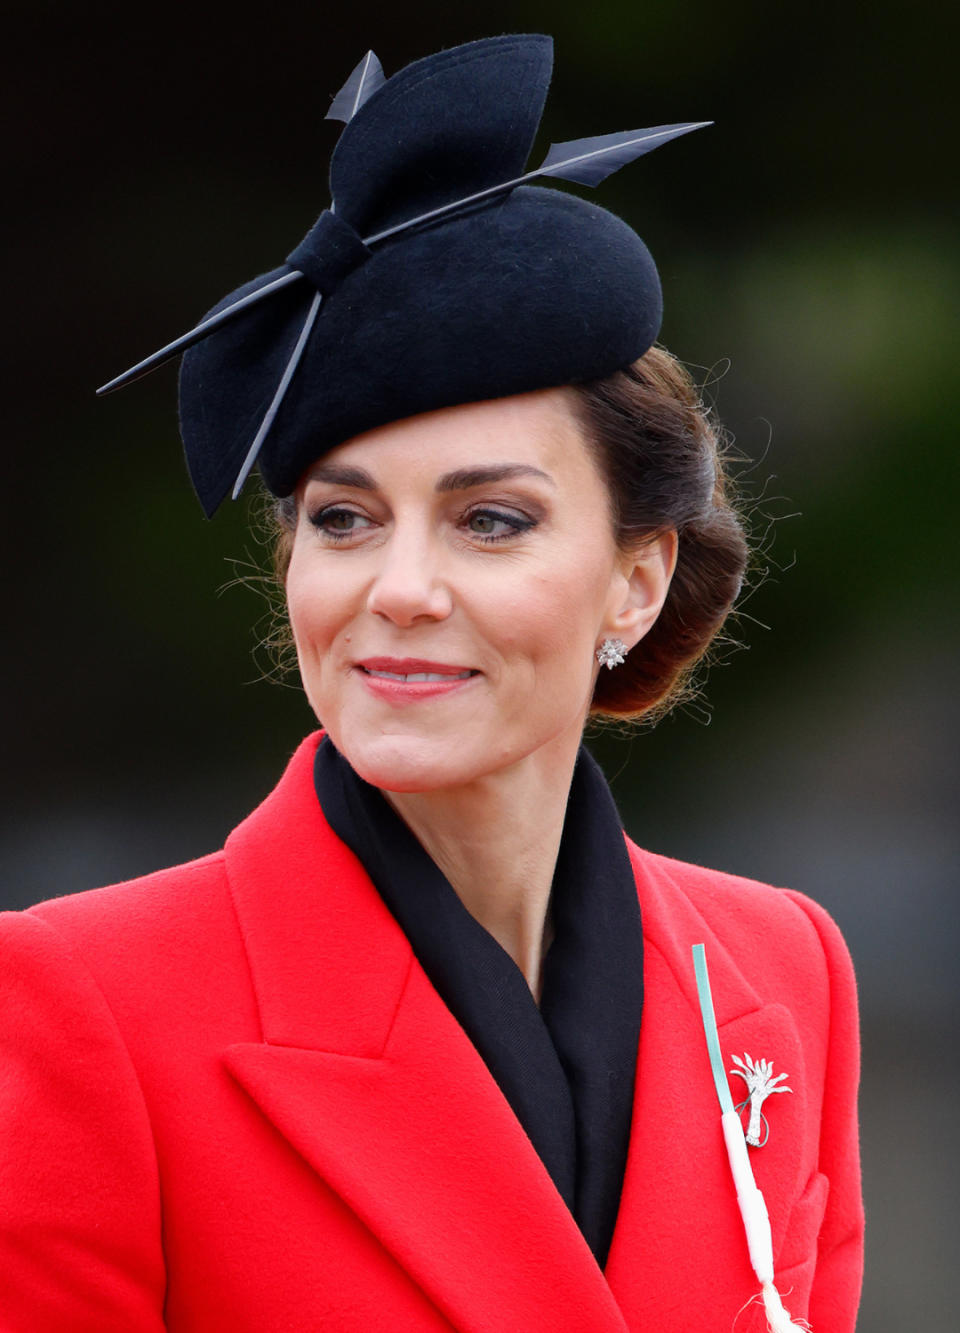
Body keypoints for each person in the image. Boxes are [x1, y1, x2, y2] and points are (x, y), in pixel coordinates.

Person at [0, 34, 863, 1333]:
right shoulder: (83, 1005)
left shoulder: (780, 970)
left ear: (636, 580)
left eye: (491, 521)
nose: (397, 585)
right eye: (344, 521)